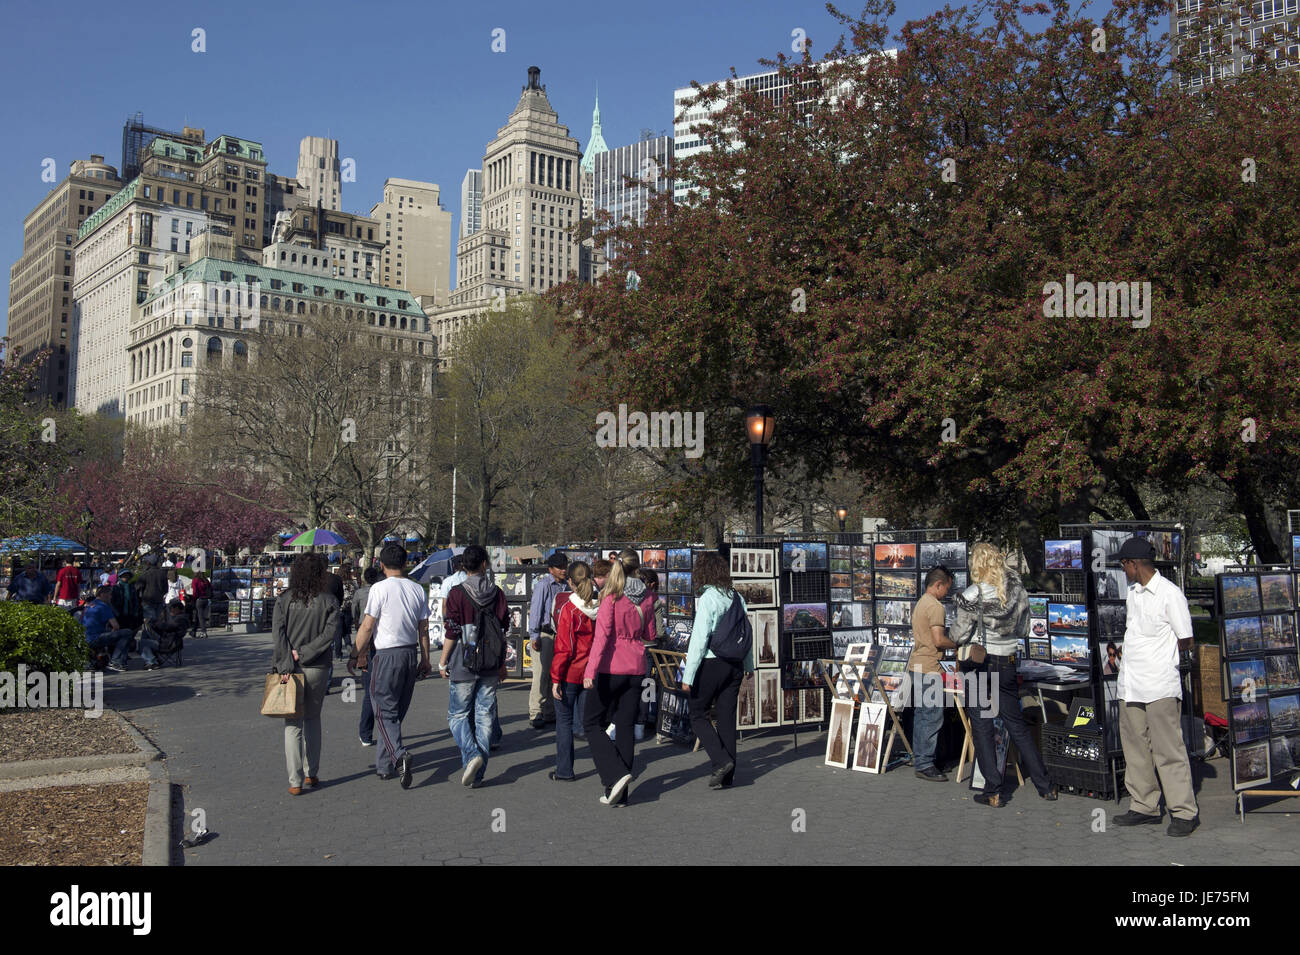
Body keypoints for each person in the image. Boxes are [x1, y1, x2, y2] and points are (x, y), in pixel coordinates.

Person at [952, 542, 1058, 807]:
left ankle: (993, 790)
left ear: (977, 564)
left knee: (982, 725)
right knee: (1016, 724)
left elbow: (958, 634)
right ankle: (1045, 786)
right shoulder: (1017, 593)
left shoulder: (972, 595)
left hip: (979, 665)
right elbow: (1024, 630)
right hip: (1007, 662)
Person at [1112, 537, 1199, 836]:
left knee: (1168, 749)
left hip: (1160, 684)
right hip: (1131, 683)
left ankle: (1183, 811)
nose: (1122, 569)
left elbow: (1186, 638)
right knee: (1135, 746)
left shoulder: (1170, 594)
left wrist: (1164, 657)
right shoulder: (1134, 592)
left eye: (1124, 564)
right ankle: (1144, 805)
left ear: (1134, 564)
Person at [353, 544, 431, 788]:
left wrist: (357, 653)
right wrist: (426, 658)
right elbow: (424, 629)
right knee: (395, 713)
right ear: (406, 563)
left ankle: (399, 756)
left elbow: (367, 626)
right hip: (409, 653)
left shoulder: (379, 589)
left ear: (381, 565)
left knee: (383, 710)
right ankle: (384, 765)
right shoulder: (417, 589)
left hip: (386, 655)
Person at [582, 559, 654, 806]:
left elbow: (601, 637)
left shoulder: (611, 598)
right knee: (625, 726)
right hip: (636, 666)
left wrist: (590, 671)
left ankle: (614, 774)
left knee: (591, 723)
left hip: (611, 667)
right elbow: (651, 635)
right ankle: (619, 793)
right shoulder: (646, 597)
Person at [680, 551, 753, 789]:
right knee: (726, 718)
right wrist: (748, 665)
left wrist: (688, 675)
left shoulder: (708, 598)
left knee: (697, 713)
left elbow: (699, 639)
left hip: (712, 662)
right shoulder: (736, 597)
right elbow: (746, 633)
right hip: (735, 665)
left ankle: (721, 762)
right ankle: (728, 775)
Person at [271, 553, 341, 796]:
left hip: (289, 668)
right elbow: (329, 635)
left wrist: (287, 661)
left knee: (292, 724)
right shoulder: (329, 600)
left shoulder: (285, 599)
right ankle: (312, 773)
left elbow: (278, 635)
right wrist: (305, 653)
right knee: (313, 719)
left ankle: (295, 780)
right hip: (317, 666)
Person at [440, 545, 509, 787]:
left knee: (457, 714)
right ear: (484, 564)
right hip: (490, 658)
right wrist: (501, 662)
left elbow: (452, 630)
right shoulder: (497, 592)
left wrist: (443, 660)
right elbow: (503, 628)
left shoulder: (457, 593)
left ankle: (471, 755)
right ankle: (478, 774)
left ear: (463, 566)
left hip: (465, 655)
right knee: (484, 715)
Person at [549, 561, 599, 781]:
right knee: (591, 723)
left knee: (564, 723)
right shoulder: (601, 606)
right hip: (591, 671)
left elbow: (564, 647)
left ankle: (564, 769)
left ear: (570, 581)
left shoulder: (569, 609)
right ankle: (608, 766)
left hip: (570, 672)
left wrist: (555, 678)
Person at [908, 565, 956, 781]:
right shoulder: (936, 606)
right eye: (947, 588)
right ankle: (925, 763)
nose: (947, 593)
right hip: (929, 667)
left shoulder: (921, 603)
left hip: (917, 665)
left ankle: (921, 758)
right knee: (931, 716)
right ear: (938, 585)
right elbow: (938, 640)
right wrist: (956, 643)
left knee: (921, 714)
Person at [527, 552, 569, 729]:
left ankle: (550, 711)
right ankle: (536, 711)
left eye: (565, 566)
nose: (564, 570)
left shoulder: (567, 585)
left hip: (561, 634)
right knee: (541, 674)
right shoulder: (543, 585)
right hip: (545, 634)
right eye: (560, 567)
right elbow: (536, 611)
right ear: (550, 569)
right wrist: (534, 635)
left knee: (556, 674)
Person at [349, 566, 382, 747]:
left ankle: (365, 733)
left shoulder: (361, 593)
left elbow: (355, 612)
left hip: (365, 638)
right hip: (381, 639)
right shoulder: (384, 591)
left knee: (369, 690)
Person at [83, 585, 134, 672]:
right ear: (103, 595)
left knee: (111, 633)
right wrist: (113, 632)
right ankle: (116, 662)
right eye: (109, 595)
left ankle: (110, 658)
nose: (111, 597)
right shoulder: (103, 606)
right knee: (127, 633)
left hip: (85, 636)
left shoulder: (90, 604)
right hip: (94, 638)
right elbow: (116, 626)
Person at [138, 599, 187, 670]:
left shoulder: (180, 619)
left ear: (176, 608)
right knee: (145, 633)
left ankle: (152, 661)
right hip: (167, 640)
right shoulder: (178, 618)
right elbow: (165, 629)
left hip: (169, 644)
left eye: (171, 608)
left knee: (141, 643)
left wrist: (154, 622)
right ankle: (152, 659)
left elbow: (166, 626)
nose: (170, 610)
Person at [138, 554, 169, 625]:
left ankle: (147, 636)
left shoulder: (145, 574)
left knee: (149, 622)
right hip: (159, 600)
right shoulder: (162, 574)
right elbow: (166, 589)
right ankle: (154, 635)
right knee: (157, 623)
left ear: (149, 563)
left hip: (147, 601)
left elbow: (138, 587)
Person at [189, 571, 212, 638]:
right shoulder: (206, 580)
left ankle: (203, 632)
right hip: (206, 599)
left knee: (200, 617)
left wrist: (193, 599)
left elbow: (195, 591)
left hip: (199, 599)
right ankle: (194, 631)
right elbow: (211, 588)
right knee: (198, 616)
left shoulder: (195, 580)